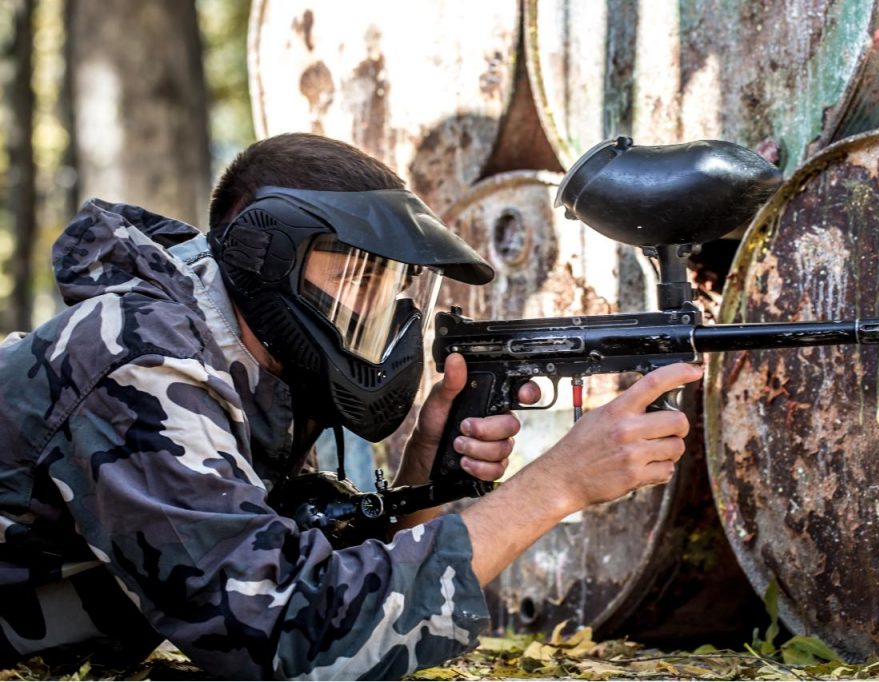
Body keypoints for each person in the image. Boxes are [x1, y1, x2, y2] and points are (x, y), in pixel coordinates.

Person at [0, 133, 700, 679]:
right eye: (355, 279)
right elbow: (288, 638)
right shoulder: (141, 361)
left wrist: (423, 483)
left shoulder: (249, 357)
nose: (381, 311)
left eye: (390, 285)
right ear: (265, 257)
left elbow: (328, 586)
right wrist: (556, 485)